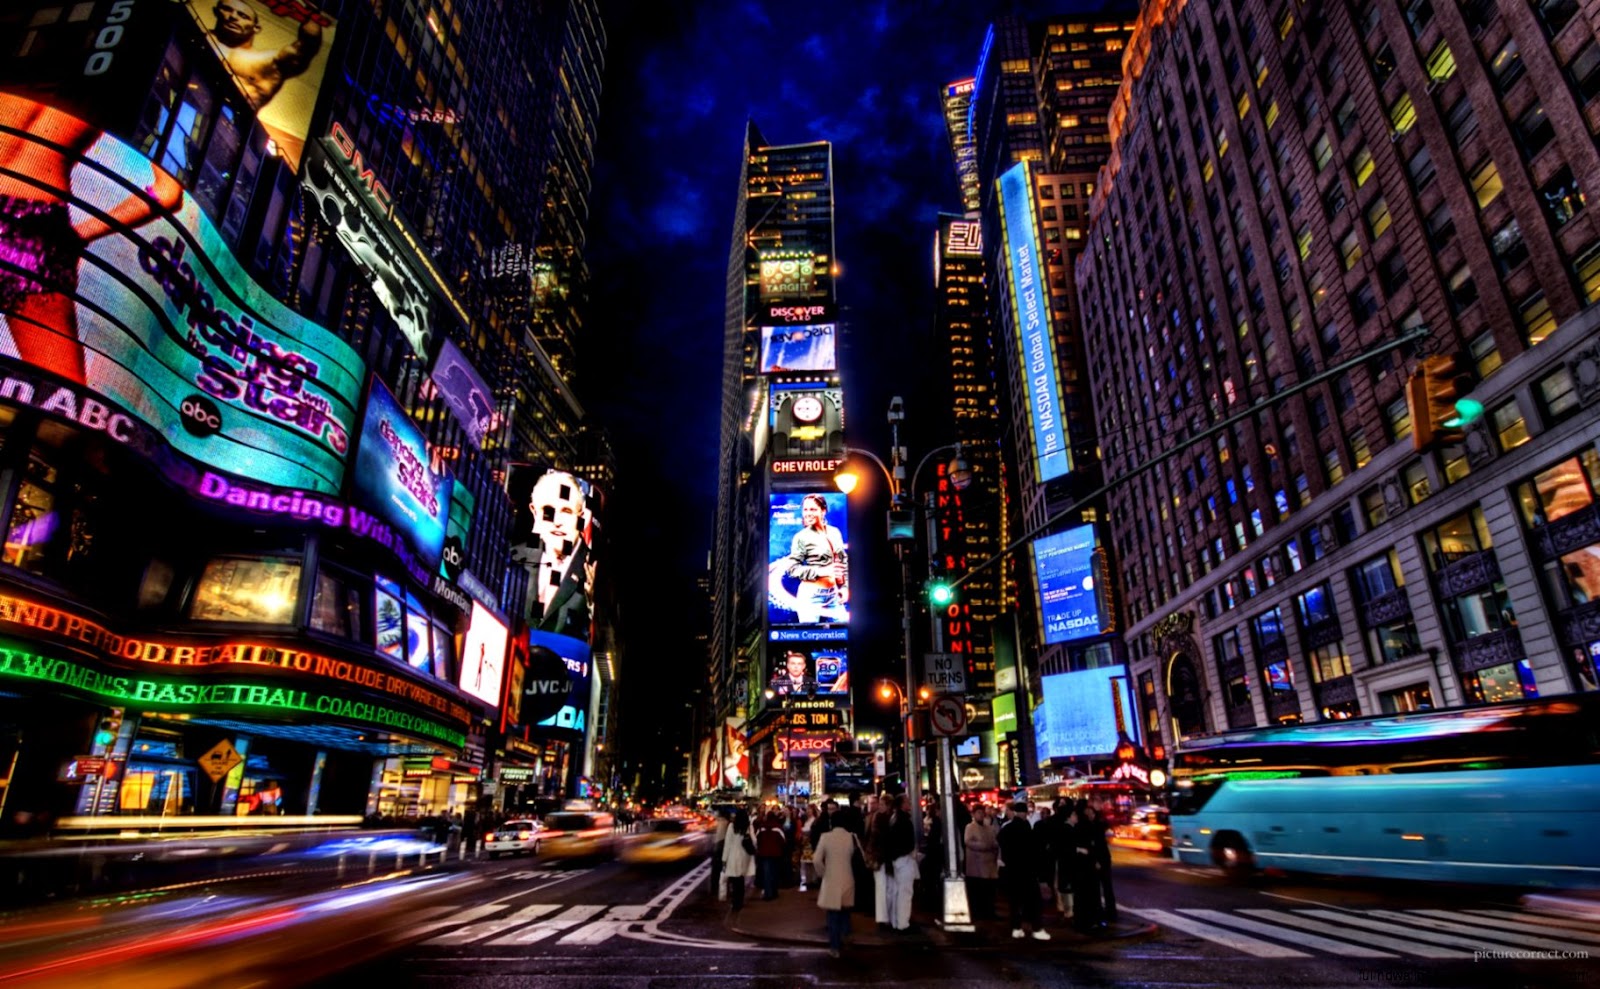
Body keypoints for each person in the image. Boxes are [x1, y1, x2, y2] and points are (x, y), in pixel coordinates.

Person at [0, 96, 183, 386]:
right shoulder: (129, 80)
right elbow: (168, 192)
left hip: (35, 218)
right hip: (38, 230)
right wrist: (80, 234)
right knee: (61, 394)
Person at [513, 468, 595, 640]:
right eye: (548, 511)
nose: (557, 522)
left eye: (566, 511)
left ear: (581, 518)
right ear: (535, 513)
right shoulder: (514, 558)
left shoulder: (595, 572)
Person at [204, 0, 323, 111]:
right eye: (227, 9)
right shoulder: (197, 34)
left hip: (229, 123)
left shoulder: (268, 62)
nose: (233, 17)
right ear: (216, 11)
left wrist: (313, 16)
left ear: (256, 28)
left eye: (243, 16)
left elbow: (307, 47)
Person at [781, 494, 848, 623]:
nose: (808, 513)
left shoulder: (835, 532)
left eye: (812, 509)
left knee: (844, 637)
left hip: (833, 594)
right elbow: (792, 569)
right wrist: (822, 571)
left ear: (823, 511)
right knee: (810, 639)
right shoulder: (801, 537)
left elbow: (843, 561)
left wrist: (844, 587)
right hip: (811, 596)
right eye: (805, 510)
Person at [997, 801, 1049, 940]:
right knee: (1032, 901)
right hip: (1027, 870)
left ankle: (1016, 927)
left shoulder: (1007, 828)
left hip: (1013, 870)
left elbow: (1000, 842)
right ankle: (1036, 928)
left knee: (1015, 901)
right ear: (1025, 813)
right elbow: (1035, 849)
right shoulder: (1026, 828)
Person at [810, 811, 859, 958]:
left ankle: (835, 947)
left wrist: (823, 873)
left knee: (832, 915)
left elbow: (817, 860)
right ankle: (846, 938)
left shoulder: (826, 837)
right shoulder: (852, 837)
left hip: (831, 878)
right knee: (845, 912)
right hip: (848, 877)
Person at [880, 793, 917, 932]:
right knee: (905, 893)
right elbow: (906, 842)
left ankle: (896, 921)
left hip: (895, 860)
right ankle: (903, 923)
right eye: (907, 801)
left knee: (897, 892)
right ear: (902, 804)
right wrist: (910, 851)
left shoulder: (893, 819)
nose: (910, 803)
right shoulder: (904, 820)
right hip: (903, 859)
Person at [1068, 800, 1102, 931]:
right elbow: (1093, 845)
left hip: (1079, 865)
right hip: (1087, 865)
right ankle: (1091, 919)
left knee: (1080, 894)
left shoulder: (1076, 827)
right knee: (1090, 893)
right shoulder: (1088, 825)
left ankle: (1080, 920)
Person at [963, 803, 1000, 921]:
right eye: (978, 812)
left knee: (990, 890)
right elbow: (968, 841)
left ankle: (990, 911)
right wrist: (983, 846)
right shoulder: (970, 827)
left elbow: (995, 840)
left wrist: (993, 846)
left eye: (982, 812)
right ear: (973, 814)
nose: (981, 815)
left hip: (989, 863)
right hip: (976, 864)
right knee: (978, 891)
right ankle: (979, 912)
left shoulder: (989, 827)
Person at [1083, 800, 1117, 925]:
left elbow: (1100, 842)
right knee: (1097, 888)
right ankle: (1102, 911)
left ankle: (1110, 912)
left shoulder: (1099, 824)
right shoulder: (1089, 826)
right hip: (1096, 859)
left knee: (1106, 887)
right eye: (1087, 813)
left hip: (1102, 858)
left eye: (1091, 813)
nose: (1089, 815)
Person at [721, 808, 756, 912]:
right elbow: (754, 840)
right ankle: (740, 902)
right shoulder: (748, 826)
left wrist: (724, 859)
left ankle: (735, 903)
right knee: (741, 880)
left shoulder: (732, 826)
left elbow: (727, 844)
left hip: (733, 855)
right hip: (744, 856)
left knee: (734, 880)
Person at [754, 812, 786, 901]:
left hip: (764, 853)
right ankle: (774, 891)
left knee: (767, 873)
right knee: (775, 872)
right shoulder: (778, 827)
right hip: (776, 853)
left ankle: (768, 893)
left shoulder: (762, 827)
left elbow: (757, 839)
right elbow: (783, 840)